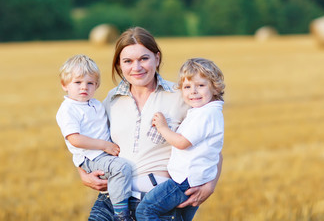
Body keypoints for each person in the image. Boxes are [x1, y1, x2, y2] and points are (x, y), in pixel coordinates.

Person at [77, 27, 223, 221]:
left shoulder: (181, 96)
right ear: (119, 65)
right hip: (111, 202)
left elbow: (211, 147)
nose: (136, 67)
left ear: (157, 58)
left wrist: (210, 185)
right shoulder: (111, 100)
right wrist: (82, 173)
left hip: (157, 206)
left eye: (144, 59)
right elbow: (82, 140)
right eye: (128, 61)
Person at [135, 58, 225, 221]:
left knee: (145, 211)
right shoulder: (206, 111)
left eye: (201, 85)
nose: (193, 91)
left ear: (215, 87)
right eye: (187, 87)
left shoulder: (205, 115)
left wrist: (162, 127)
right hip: (194, 179)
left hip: (184, 181)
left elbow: (182, 142)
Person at [56, 54, 133, 221]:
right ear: (64, 85)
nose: (84, 87)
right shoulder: (68, 109)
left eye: (90, 83)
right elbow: (75, 139)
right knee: (122, 168)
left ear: (96, 85)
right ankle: (121, 214)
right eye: (77, 82)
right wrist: (104, 145)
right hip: (91, 157)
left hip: (101, 154)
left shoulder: (96, 104)